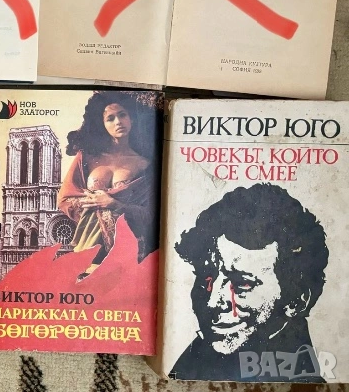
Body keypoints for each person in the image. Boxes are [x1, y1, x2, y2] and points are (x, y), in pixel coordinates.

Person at [170, 184, 330, 382]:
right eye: (206, 277)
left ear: (296, 301)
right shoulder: (187, 367)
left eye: (242, 284)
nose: (212, 302)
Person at [57, 92, 159, 276]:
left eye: (122, 115)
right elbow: (65, 199)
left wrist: (114, 204)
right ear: (102, 124)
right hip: (87, 251)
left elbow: (150, 214)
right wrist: (94, 205)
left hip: (126, 254)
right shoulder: (86, 157)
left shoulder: (145, 165)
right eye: (110, 118)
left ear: (132, 119)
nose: (118, 122)